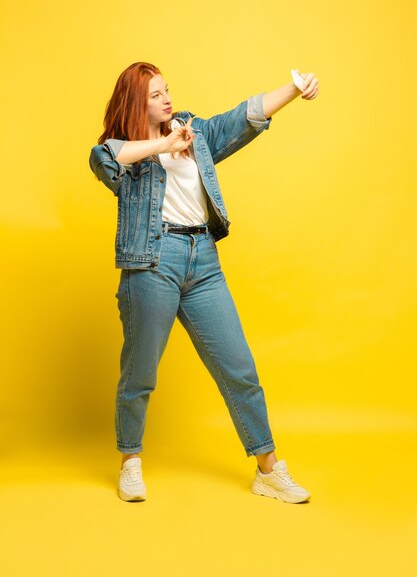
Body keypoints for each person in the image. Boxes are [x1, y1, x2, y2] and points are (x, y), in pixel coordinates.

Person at [89, 61, 319, 504]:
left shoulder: (195, 133)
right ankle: (130, 463)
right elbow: (105, 157)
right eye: (155, 95)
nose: (167, 99)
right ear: (137, 102)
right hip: (152, 261)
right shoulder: (127, 150)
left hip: (203, 261)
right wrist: (162, 143)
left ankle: (269, 471)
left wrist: (293, 89)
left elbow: (245, 116)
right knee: (140, 374)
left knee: (239, 369)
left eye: (167, 90)